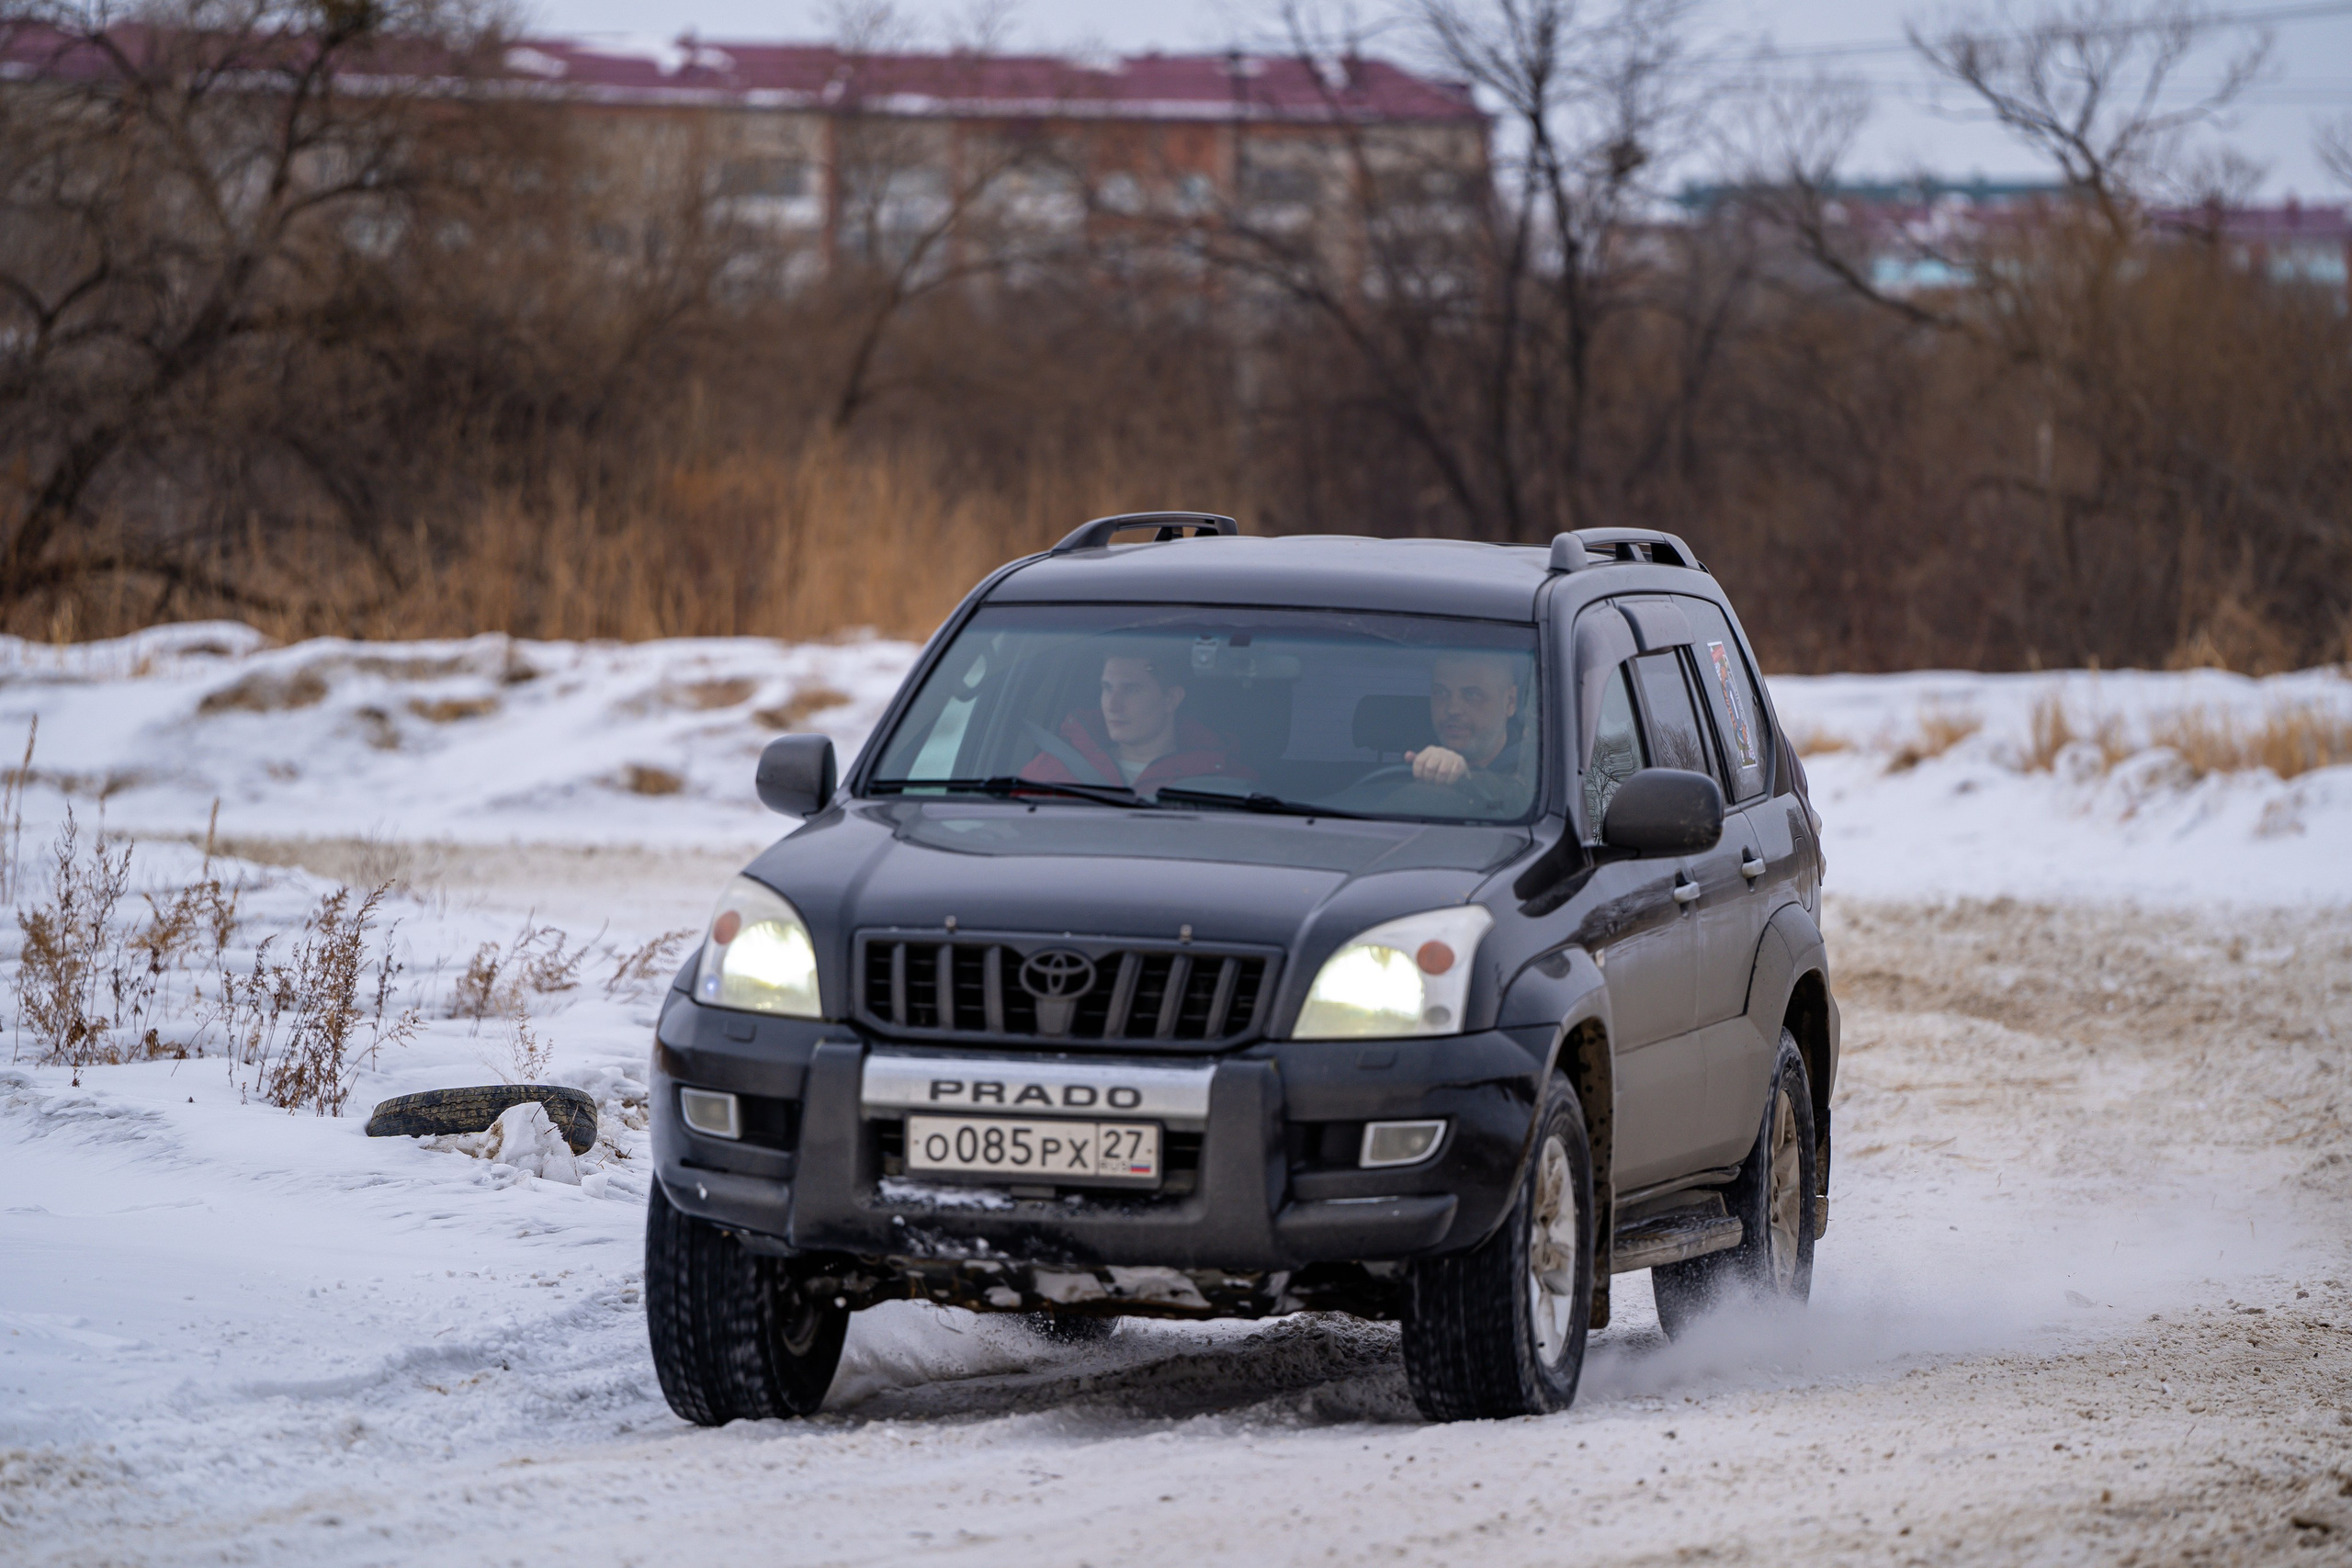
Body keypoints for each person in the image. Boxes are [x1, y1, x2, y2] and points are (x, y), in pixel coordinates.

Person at [1021, 649, 1250, 794]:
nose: (1113, 704)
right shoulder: (1051, 770)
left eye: (1131, 690)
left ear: (1171, 699)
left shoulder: (1225, 782)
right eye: (1107, 688)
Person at [1405, 652, 1524, 790]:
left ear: (1510, 701)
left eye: (1471, 694)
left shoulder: (1536, 770)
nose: (1453, 709)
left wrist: (1466, 779)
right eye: (1441, 692)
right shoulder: (1409, 764)